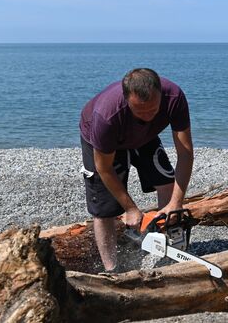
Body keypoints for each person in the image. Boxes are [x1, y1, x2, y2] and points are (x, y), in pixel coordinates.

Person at [79, 68, 193, 272]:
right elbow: (104, 168)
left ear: (161, 94)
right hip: (106, 141)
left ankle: (170, 247)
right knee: (104, 210)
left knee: (167, 181)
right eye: (141, 111)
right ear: (126, 100)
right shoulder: (106, 117)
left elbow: (185, 153)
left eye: (153, 109)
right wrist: (130, 208)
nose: (148, 115)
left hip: (145, 137)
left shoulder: (174, 97)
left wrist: (176, 202)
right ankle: (112, 269)